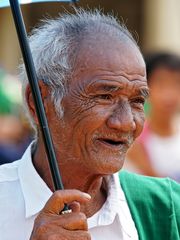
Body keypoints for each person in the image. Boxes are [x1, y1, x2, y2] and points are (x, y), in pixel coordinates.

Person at [0, 10, 179, 240]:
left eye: (137, 101)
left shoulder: (166, 209)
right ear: (39, 102)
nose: (126, 123)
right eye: (104, 96)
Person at [126, 53, 180, 182]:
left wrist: (146, 167)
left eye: (176, 84)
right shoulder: (132, 138)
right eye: (161, 84)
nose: (169, 94)